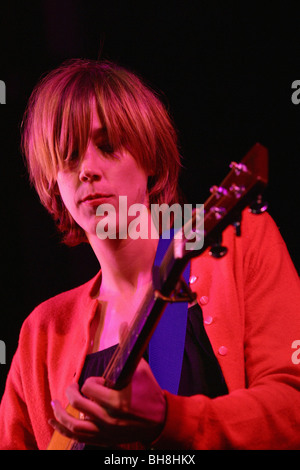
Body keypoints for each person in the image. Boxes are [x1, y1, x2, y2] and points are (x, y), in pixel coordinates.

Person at [0, 58, 300, 450]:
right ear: (52, 183)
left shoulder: (239, 244)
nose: (87, 169)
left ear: (151, 159)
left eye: (107, 146)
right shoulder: (42, 333)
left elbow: (293, 408)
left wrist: (168, 419)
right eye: (68, 155)